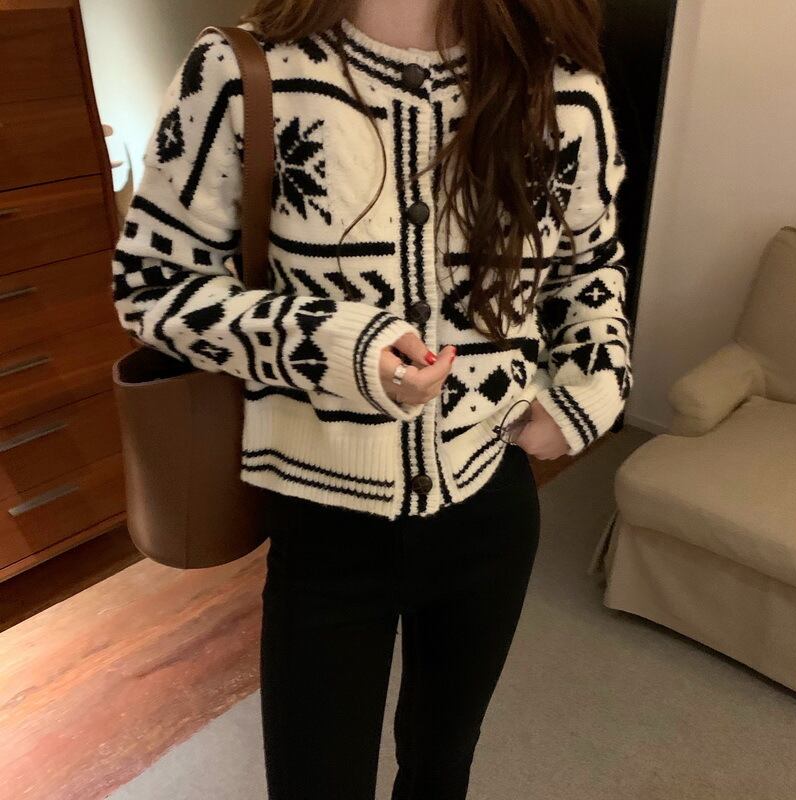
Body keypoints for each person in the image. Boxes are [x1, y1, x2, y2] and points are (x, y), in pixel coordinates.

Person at [111, 0, 633, 796]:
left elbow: (589, 266)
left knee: (442, 766)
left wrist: (590, 392)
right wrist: (338, 346)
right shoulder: (243, 73)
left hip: (491, 505)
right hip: (323, 524)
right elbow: (153, 285)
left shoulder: (560, 88)